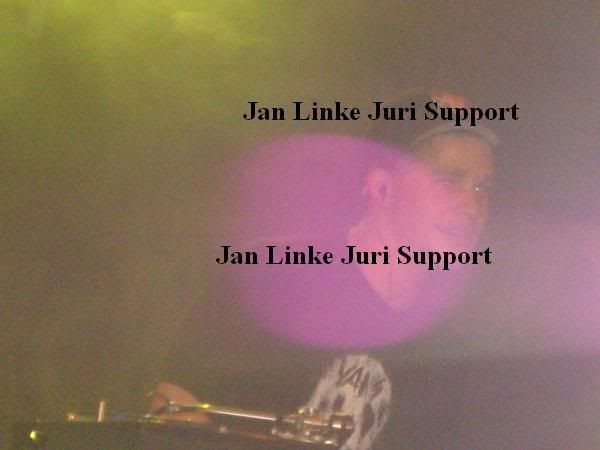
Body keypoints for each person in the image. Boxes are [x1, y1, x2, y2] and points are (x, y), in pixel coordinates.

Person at [151, 89, 498, 450]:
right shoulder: (272, 274)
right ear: (382, 186)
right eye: (449, 180)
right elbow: (172, 410)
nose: (473, 206)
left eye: (482, 187)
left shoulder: (454, 337)